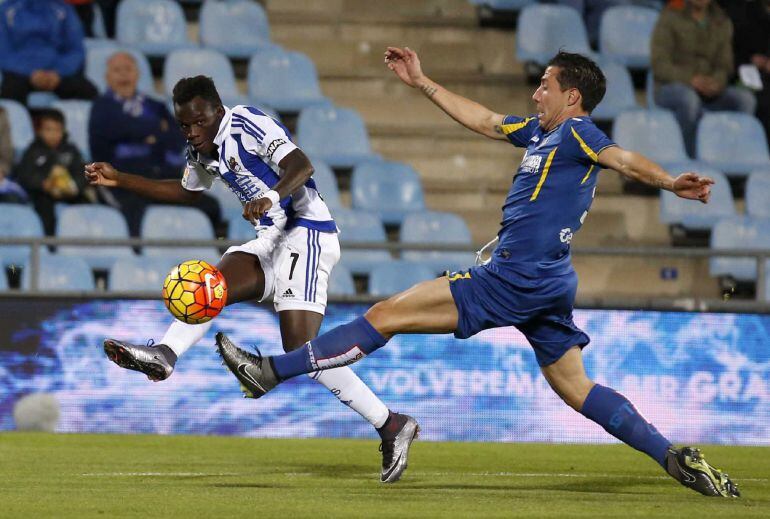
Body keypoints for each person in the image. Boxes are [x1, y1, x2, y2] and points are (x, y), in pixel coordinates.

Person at [216, 48, 741, 498]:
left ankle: (271, 373)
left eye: (545, 85)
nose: (536, 94)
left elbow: (623, 160)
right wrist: (422, 82)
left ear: (572, 96)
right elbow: (486, 120)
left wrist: (670, 183)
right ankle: (672, 456)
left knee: (386, 314)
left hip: (515, 278)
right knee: (577, 388)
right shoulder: (540, 133)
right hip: (548, 281)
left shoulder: (579, 132)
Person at [85, 76, 419, 484]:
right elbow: (190, 192)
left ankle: (390, 423)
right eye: (184, 125)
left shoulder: (248, 123)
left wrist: (271, 197)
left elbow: (302, 165)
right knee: (208, 287)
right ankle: (166, 355)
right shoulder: (200, 147)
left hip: (306, 232)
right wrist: (121, 179)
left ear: (217, 110)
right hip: (271, 239)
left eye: (198, 122)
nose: (192, 131)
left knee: (300, 349)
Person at [88, 52, 221, 237]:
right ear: (107, 77)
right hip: (122, 181)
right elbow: (110, 136)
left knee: (210, 206)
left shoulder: (155, 106)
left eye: (128, 69)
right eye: (117, 70)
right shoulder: (101, 107)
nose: (124, 75)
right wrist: (155, 130)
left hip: (160, 178)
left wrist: (140, 135)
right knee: (136, 215)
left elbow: (178, 137)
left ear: (137, 74)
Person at [651, 0, 756, 156]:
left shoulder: (722, 21)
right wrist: (691, 80)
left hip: (709, 89)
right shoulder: (670, 16)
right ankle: (689, 158)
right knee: (689, 99)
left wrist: (716, 83)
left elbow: (724, 65)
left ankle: (730, 156)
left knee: (745, 100)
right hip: (672, 87)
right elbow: (659, 64)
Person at [0, 0, 98, 106]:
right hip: (20, 73)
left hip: (57, 73)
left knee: (88, 91)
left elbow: (76, 50)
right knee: (11, 93)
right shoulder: (5, 10)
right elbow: (4, 53)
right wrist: (31, 72)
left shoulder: (63, 8)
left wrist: (57, 72)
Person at [15, 109, 91, 235]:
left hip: (68, 192)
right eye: (48, 130)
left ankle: (81, 239)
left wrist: (73, 186)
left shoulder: (71, 150)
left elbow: (82, 173)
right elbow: (25, 175)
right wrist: (44, 184)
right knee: (44, 207)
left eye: (57, 130)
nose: (53, 134)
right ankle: (49, 244)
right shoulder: (32, 151)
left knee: (84, 203)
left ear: (63, 131)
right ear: (39, 131)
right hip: (43, 193)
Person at [720, 0, 770, 146]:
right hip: (745, 76)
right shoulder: (743, 12)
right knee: (762, 102)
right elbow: (730, 55)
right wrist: (752, 60)